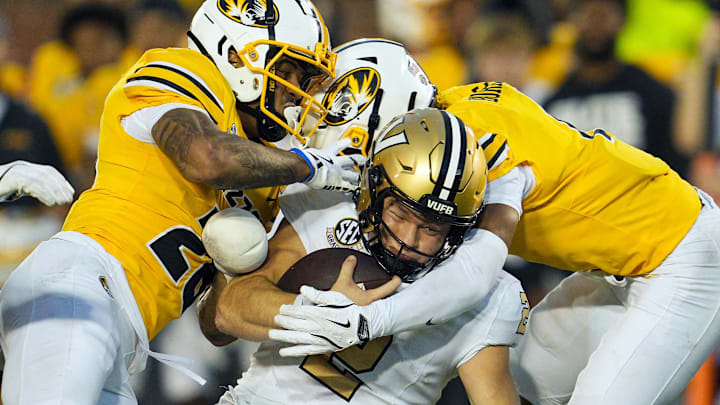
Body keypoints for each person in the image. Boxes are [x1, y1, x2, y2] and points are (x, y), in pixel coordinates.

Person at [0, 0, 364, 403]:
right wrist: (308, 166)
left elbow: (216, 324)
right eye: (286, 71)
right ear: (234, 53)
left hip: (124, 335)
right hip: (79, 285)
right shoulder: (186, 72)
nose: (295, 93)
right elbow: (205, 158)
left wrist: (234, 264)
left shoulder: (263, 172)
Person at [272, 79, 720, 404]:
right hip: (619, 263)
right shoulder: (448, 122)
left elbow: (479, 269)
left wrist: (368, 321)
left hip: (687, 258)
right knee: (527, 387)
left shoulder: (479, 150)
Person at [202, 104, 524, 405]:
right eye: (399, 213)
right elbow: (229, 309)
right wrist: (319, 313)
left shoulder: (484, 296)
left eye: (431, 229)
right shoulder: (329, 210)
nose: (406, 240)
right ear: (374, 190)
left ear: (457, 231)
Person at [542, 0, 689, 176]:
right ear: (572, 22)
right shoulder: (553, 103)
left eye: (604, 15)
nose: (595, 24)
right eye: (587, 15)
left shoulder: (654, 94)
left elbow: (674, 165)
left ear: (623, 21)